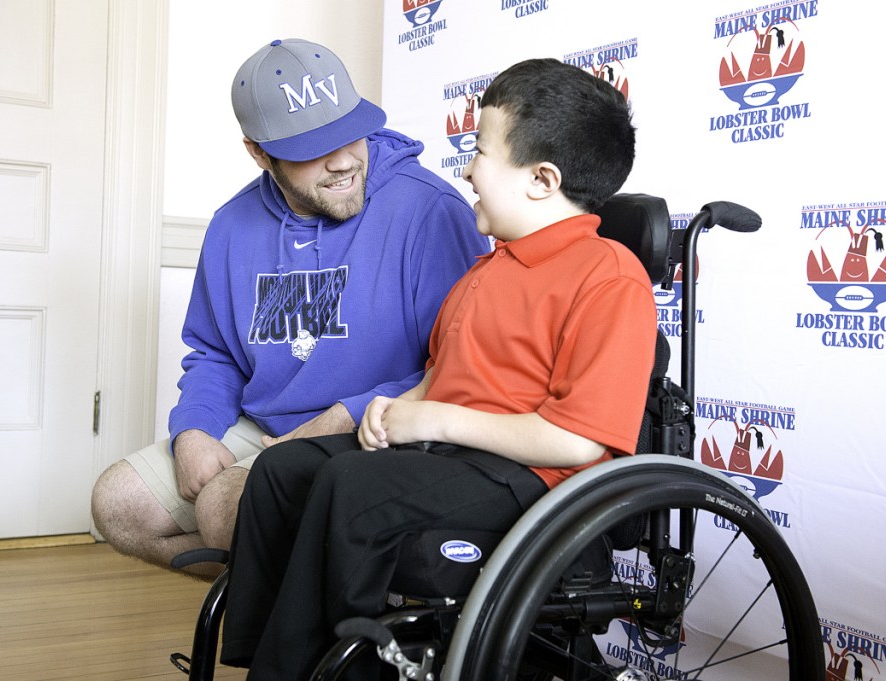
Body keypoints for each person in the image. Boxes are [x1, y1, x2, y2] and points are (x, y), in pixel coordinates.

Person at [220, 57, 657, 679]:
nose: (468, 168)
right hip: (449, 459)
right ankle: (265, 658)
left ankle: (324, 670)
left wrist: (435, 419)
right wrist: (397, 411)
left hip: (532, 480)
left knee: (353, 487)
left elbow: (578, 439)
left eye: (480, 151)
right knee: (280, 469)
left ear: (541, 179)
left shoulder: (608, 276)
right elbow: (443, 376)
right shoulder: (487, 270)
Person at [90, 39, 488, 575]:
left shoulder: (430, 210)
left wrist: (334, 421)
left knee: (222, 509)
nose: (345, 160)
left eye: (352, 131)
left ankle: (289, 610)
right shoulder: (232, 226)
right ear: (258, 152)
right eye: (313, 148)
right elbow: (215, 353)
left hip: (375, 429)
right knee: (117, 505)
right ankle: (276, 597)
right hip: (265, 424)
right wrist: (194, 432)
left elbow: (457, 366)